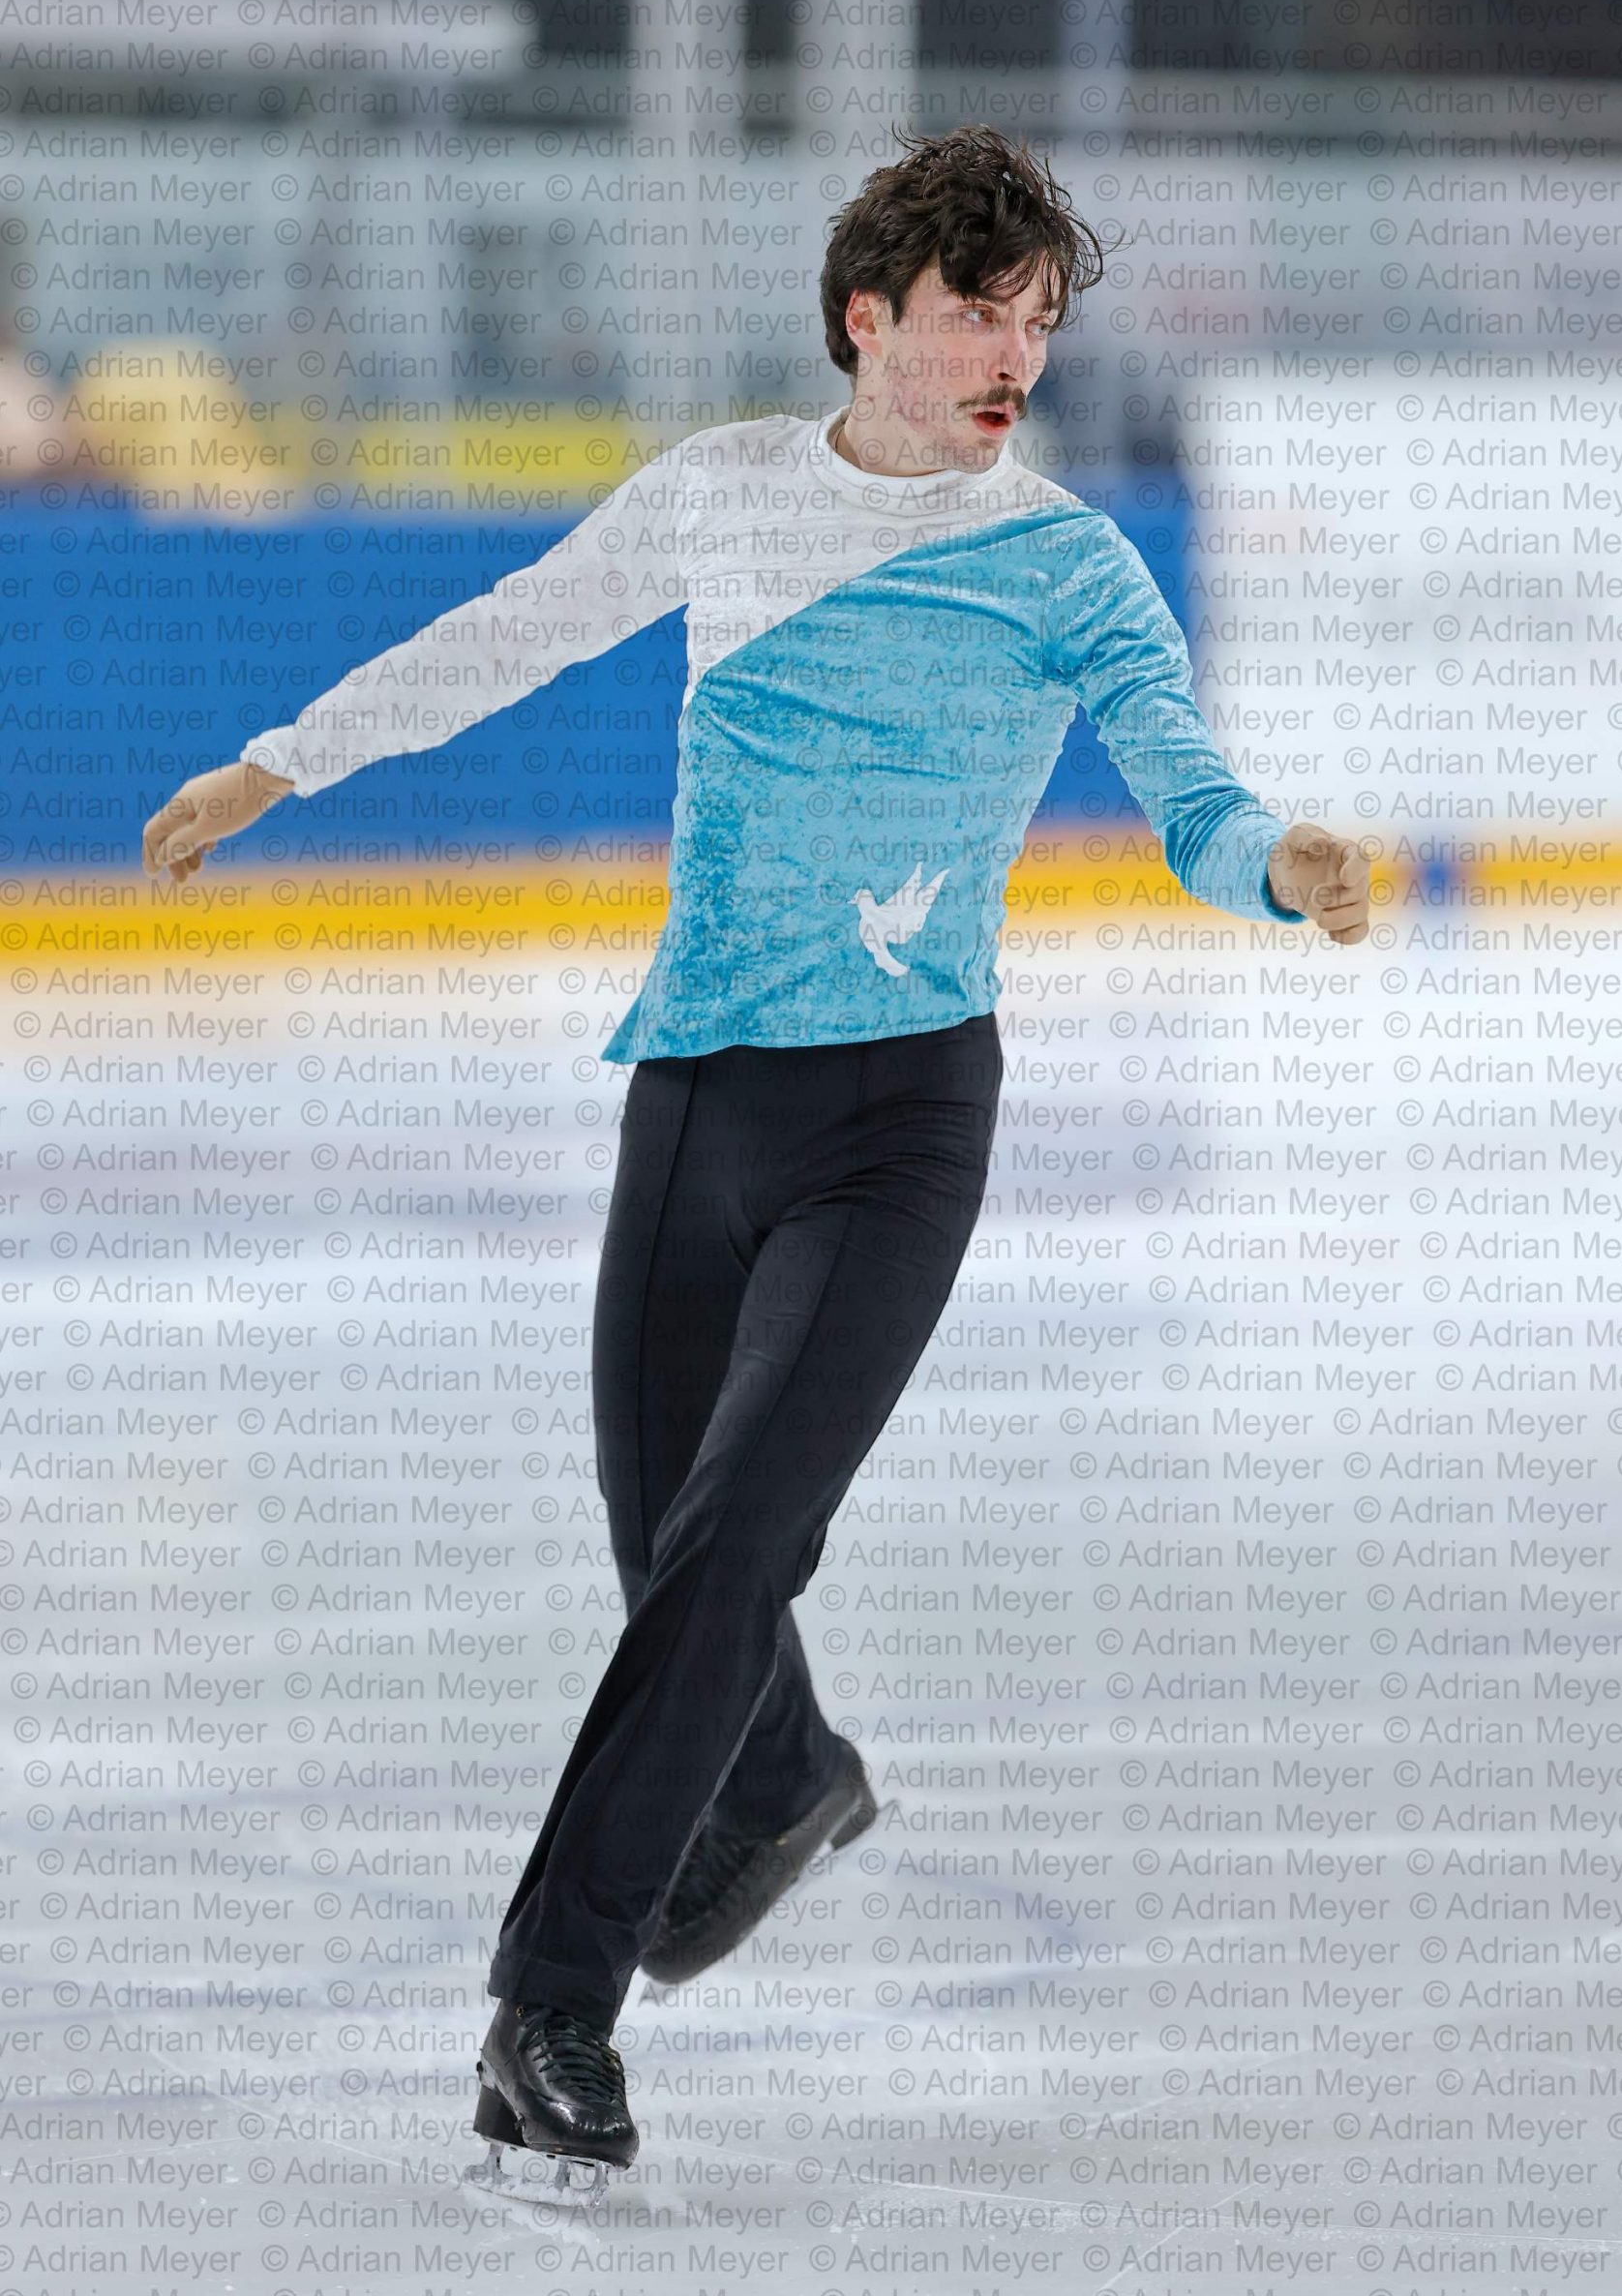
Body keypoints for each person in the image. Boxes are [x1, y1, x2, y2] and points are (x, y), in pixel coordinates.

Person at [141, 123, 1371, 2186]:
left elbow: (1186, 789)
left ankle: (550, 2007)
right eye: (976, 312)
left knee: (729, 1546)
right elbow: (513, 630)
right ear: (864, 318)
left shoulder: (1065, 562)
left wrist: (1277, 861)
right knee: (666, 1547)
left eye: (1038, 322)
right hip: (697, 1091)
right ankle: (785, 1771)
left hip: (902, 1122)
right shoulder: (724, 492)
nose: (1013, 354)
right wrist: (282, 760)